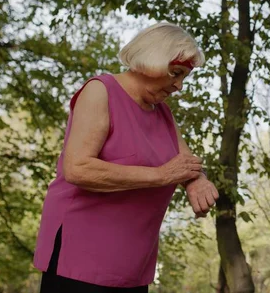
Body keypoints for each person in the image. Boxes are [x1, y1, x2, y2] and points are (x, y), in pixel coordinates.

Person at [33, 22, 219, 293]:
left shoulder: (162, 113)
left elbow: (185, 163)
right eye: (176, 73)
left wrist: (197, 182)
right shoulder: (101, 91)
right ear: (154, 60)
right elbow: (77, 169)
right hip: (81, 257)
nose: (179, 86)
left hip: (133, 265)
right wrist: (161, 175)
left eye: (184, 78)